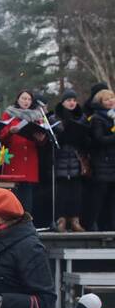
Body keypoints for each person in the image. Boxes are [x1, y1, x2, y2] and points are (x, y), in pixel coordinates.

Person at [0, 90, 46, 214]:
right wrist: (10, 132)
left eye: (29, 99)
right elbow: (1, 137)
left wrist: (41, 139)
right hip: (14, 157)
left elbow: (41, 143)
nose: (26, 101)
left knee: (27, 192)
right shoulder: (8, 115)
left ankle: (26, 220)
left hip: (30, 158)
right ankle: (13, 220)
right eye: (23, 98)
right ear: (18, 100)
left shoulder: (37, 117)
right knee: (14, 192)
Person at [50, 90, 88, 232]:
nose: (72, 103)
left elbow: (87, 140)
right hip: (60, 159)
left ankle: (75, 220)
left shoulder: (82, 118)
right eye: (68, 100)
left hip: (76, 159)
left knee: (76, 193)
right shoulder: (55, 118)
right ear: (63, 102)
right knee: (62, 193)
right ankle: (61, 220)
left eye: (73, 100)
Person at [87, 89, 115, 230]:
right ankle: (93, 224)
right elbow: (99, 139)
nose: (111, 101)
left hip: (113, 162)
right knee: (99, 196)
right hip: (103, 162)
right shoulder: (97, 118)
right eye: (107, 99)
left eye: (112, 98)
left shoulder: (113, 116)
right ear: (100, 102)